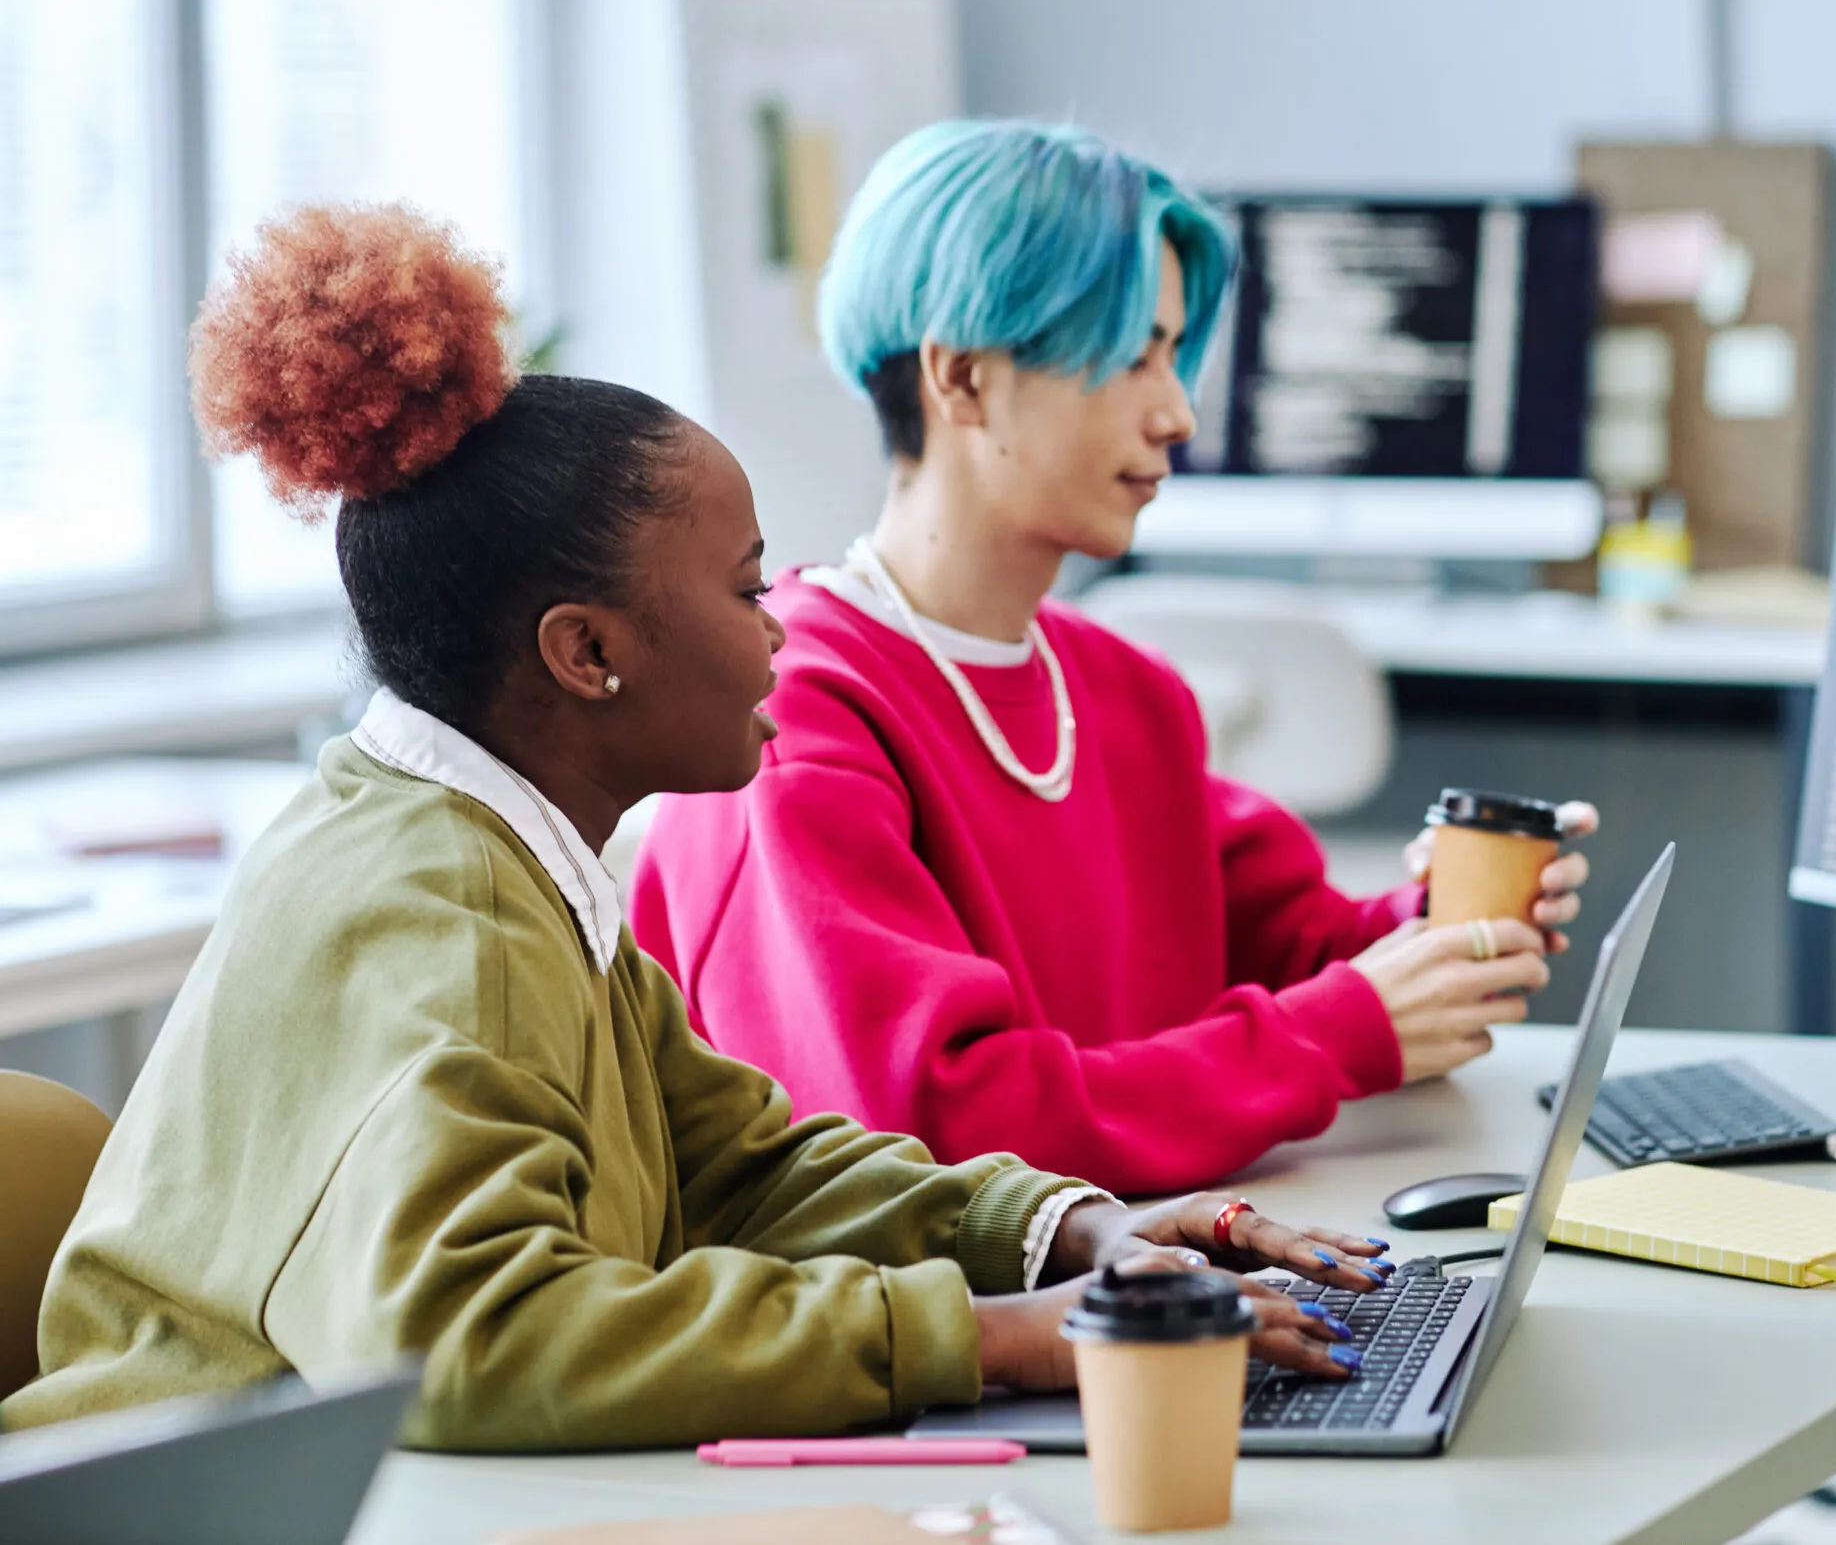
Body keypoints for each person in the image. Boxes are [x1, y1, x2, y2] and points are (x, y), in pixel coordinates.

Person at [1, 204, 1386, 1451]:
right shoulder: (440, 917)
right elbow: (471, 1343)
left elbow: (740, 1157)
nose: (777, 624)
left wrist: (1065, 1229)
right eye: (739, 589)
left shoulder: (496, 848)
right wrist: (997, 1337)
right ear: (586, 651)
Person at [632, 120, 1599, 1198]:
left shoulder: (1122, 692)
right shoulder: (794, 714)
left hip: (1142, 1279)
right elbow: (941, 1135)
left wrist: (1438, 930)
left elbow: (1295, 947)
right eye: (1132, 357)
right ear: (962, 379)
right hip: (950, 1340)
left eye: (1173, 357)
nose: (1178, 412)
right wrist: (1341, 1032)